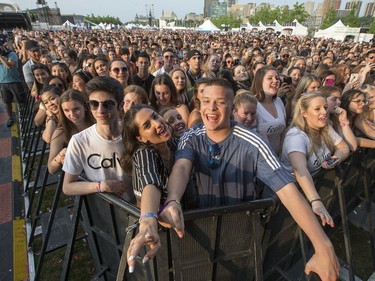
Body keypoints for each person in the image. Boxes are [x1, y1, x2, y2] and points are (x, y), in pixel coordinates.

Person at [140, 78, 340, 281]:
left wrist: (323, 245)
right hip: (199, 233)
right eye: (206, 101)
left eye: (220, 102)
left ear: (231, 106)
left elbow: (286, 189)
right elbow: (182, 166)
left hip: (240, 232)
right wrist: (173, 200)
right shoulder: (190, 136)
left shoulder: (253, 141)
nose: (211, 108)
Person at [121, 104, 177, 271]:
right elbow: (150, 182)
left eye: (155, 116)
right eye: (147, 125)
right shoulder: (144, 154)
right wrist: (148, 220)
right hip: (159, 239)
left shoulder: (174, 143)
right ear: (141, 138)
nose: (158, 123)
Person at [280, 92, 350, 227]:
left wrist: (335, 159)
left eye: (325, 107)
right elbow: (300, 169)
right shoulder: (296, 136)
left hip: (309, 190)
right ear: (304, 113)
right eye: (317, 109)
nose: (324, 112)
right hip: (289, 197)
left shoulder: (325, 127)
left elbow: (344, 147)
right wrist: (316, 200)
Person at [62, 76, 135, 202]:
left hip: (138, 206)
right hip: (106, 211)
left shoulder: (133, 133)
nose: (100, 110)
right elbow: (68, 187)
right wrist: (101, 186)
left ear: (120, 105)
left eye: (108, 104)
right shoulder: (79, 141)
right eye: (94, 104)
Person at [48, 89, 95, 175]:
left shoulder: (97, 123)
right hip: (80, 178)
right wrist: (59, 157)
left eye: (76, 109)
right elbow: (51, 169)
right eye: (66, 110)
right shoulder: (61, 132)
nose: (72, 114)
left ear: (85, 106)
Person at [251, 65, 286, 153]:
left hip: (279, 157)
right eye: (270, 78)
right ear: (260, 82)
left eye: (277, 78)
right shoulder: (253, 104)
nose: (275, 81)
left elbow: (283, 131)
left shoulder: (278, 101)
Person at [0, 34, 27, 127]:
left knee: (21, 100)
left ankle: (25, 116)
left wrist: (0, 57)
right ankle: (10, 118)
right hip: (3, 83)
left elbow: (10, 65)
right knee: (7, 102)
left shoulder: (11, 54)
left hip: (15, 81)